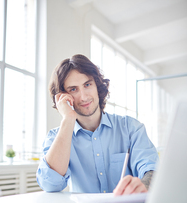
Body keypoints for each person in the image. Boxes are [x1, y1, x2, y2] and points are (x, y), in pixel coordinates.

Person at [36, 54, 159, 195]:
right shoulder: (55, 137)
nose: (84, 97)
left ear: (97, 86)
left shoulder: (131, 128)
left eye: (87, 85)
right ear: (63, 97)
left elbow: (152, 169)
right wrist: (68, 118)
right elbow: (50, 184)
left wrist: (143, 186)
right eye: (73, 89)